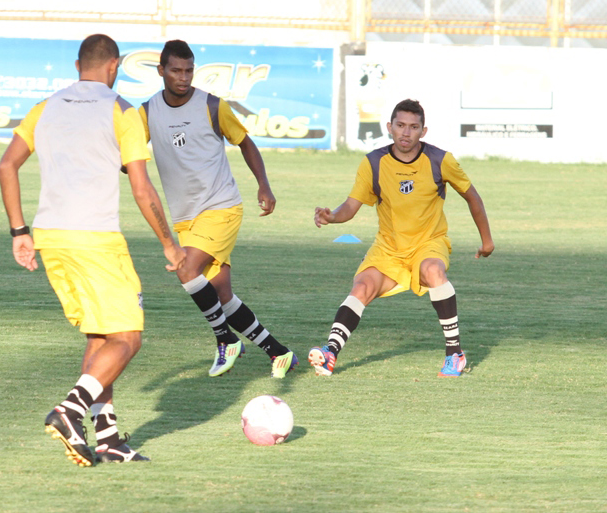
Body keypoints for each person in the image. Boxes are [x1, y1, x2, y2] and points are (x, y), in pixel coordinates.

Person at [0, 34, 186, 467]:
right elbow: (141, 188)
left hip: (51, 238)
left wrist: (18, 232)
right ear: (114, 65)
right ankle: (69, 410)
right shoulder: (121, 111)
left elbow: (6, 165)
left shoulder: (45, 106)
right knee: (127, 338)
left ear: (77, 64)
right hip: (96, 240)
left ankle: (108, 439)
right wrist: (169, 246)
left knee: (101, 336)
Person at [139, 39, 297, 379]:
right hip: (185, 216)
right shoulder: (147, 112)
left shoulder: (212, 105)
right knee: (222, 297)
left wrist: (264, 185)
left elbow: (246, 143)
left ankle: (225, 339)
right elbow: (130, 155)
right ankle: (279, 352)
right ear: (161, 71)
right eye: (176, 70)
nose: (183, 77)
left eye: (189, 70)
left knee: (186, 268)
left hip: (221, 205)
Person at [309, 99, 494, 378]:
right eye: (400, 126)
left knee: (433, 271)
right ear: (389, 127)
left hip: (428, 243)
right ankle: (331, 352)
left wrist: (487, 240)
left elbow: (472, 196)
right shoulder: (373, 162)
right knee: (361, 287)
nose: (406, 133)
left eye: (413, 127)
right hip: (389, 249)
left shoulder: (440, 160)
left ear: (423, 131)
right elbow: (351, 205)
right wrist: (332, 216)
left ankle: (454, 353)